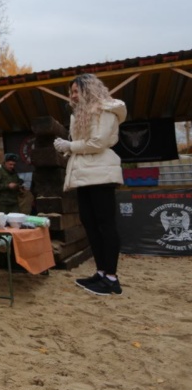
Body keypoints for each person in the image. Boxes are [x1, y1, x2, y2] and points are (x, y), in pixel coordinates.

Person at [53, 73, 126, 296]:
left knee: (105, 225)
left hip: (101, 174)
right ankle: (102, 272)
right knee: (91, 224)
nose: (72, 95)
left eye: (76, 91)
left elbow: (98, 142)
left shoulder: (105, 110)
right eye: (71, 92)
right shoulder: (81, 114)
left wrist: (69, 146)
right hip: (86, 174)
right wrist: (70, 147)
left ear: (88, 90)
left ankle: (112, 279)